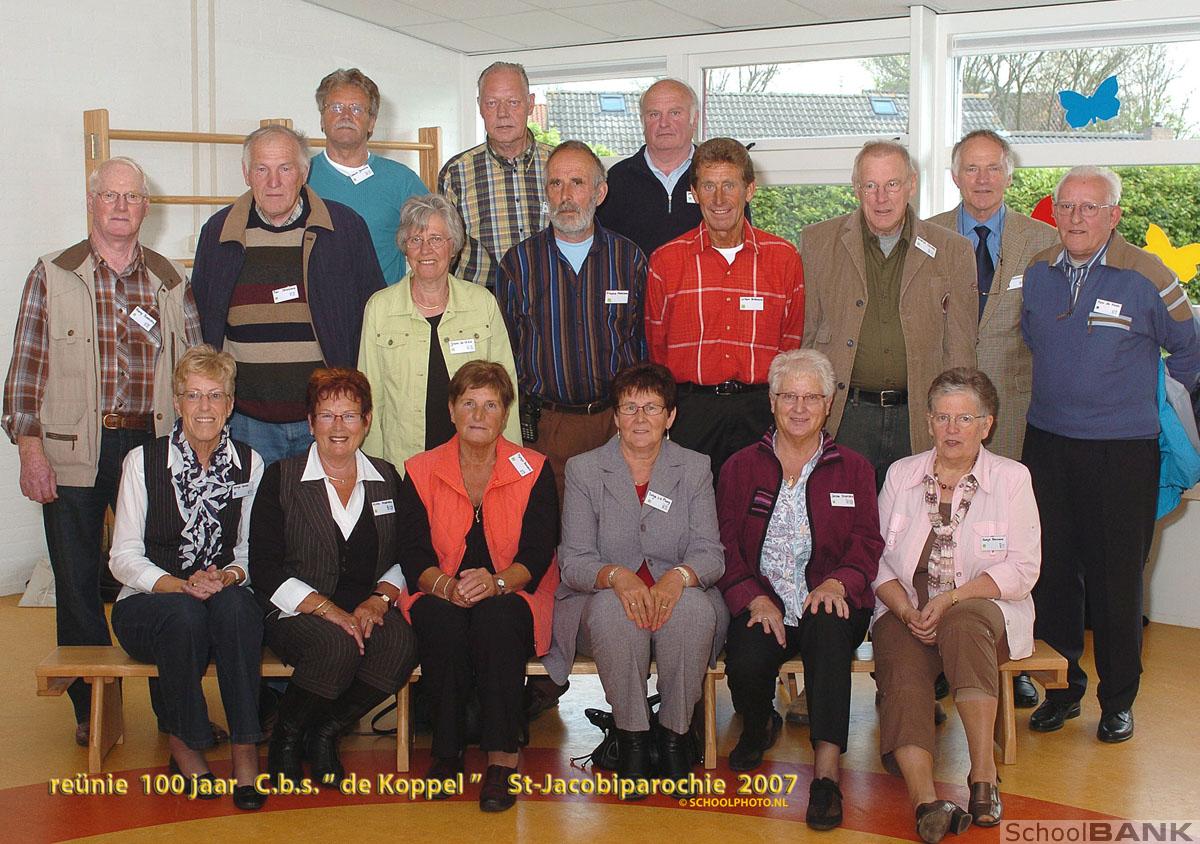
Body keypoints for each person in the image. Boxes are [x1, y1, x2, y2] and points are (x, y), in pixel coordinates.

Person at [2, 156, 201, 742]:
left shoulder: (168, 278)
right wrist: (29, 450)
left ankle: (175, 708)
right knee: (78, 579)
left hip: (152, 444)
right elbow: (25, 370)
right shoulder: (51, 273)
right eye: (109, 195)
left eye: (132, 197)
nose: (120, 206)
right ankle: (92, 712)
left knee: (165, 572)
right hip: (71, 450)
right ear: (91, 202)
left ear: (146, 207)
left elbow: (193, 362)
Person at [1021, 166, 1200, 743]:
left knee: (1117, 582)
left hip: (1123, 454)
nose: (1075, 218)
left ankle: (1118, 700)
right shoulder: (1038, 273)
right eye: (1066, 206)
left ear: (1114, 214)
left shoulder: (1150, 277)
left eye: (1090, 207)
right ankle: (1061, 688)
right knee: (1051, 577)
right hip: (1047, 446)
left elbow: (1190, 356)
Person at [872, 368, 1040, 842]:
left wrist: (950, 599)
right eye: (943, 418)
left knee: (963, 624)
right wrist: (905, 610)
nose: (952, 429)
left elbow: (1023, 569)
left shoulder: (1011, 478)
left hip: (982, 609)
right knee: (900, 666)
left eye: (964, 418)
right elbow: (877, 560)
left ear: (986, 424)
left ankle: (982, 775)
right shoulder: (902, 474)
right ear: (928, 422)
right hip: (908, 609)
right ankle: (925, 801)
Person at [716, 349, 881, 829]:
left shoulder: (853, 467)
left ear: (830, 404)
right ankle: (758, 720)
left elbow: (868, 542)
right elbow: (724, 543)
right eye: (789, 395)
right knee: (745, 658)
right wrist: (752, 595)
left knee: (830, 635)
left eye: (812, 397)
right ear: (771, 401)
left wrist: (839, 582)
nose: (800, 407)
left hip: (827, 598)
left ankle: (826, 773)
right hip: (762, 597)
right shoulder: (740, 467)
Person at [548, 362, 726, 797]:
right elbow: (573, 560)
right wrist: (616, 576)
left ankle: (674, 740)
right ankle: (631, 741)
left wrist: (678, 578)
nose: (640, 418)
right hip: (601, 599)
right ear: (615, 416)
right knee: (615, 612)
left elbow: (710, 553)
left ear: (671, 417)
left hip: (679, 597)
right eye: (629, 407)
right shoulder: (584, 469)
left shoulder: (695, 467)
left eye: (652, 407)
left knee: (692, 611)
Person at [926, 129, 1057, 711]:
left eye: (992, 169)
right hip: (943, 413)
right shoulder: (925, 236)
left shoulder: (1044, 241)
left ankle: (1009, 655)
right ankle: (933, 652)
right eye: (970, 169)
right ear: (955, 176)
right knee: (938, 532)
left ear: (1009, 174)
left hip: (1014, 411)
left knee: (1009, 540)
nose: (981, 179)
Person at [396, 361, 559, 812]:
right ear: (451, 409)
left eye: (490, 404)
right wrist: (447, 587)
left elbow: (539, 551)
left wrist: (498, 582)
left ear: (505, 414)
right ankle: (446, 756)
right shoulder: (420, 468)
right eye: (468, 402)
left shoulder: (534, 469)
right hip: (439, 587)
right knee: (441, 621)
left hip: (515, 589)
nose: (479, 414)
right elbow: (412, 554)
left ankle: (502, 761)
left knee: (497, 620)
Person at [109, 346, 266, 810]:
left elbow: (250, 552)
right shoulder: (142, 462)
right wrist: (180, 585)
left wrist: (230, 576)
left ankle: (244, 749)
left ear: (230, 404)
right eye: (193, 395)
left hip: (219, 594)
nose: (204, 407)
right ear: (176, 403)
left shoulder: (249, 463)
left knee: (239, 608)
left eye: (215, 396)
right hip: (147, 603)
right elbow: (122, 558)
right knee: (183, 616)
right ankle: (185, 742)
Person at [249, 368, 417, 787]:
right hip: (296, 609)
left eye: (349, 415)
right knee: (336, 644)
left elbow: (404, 555)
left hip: (364, 604)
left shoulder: (387, 478)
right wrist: (327, 610)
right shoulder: (281, 478)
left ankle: (325, 730)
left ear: (367, 421)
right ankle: (287, 736)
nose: (338, 427)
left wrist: (379, 599)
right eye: (327, 416)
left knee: (400, 644)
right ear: (310, 423)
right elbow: (265, 568)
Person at [191, 125, 384, 465]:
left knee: (322, 517)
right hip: (247, 422)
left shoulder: (345, 229)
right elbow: (205, 324)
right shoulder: (218, 234)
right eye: (262, 169)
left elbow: (374, 315)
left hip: (325, 418)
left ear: (304, 172)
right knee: (253, 518)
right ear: (246, 173)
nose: (273, 181)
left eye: (285, 168)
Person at [802, 140, 976, 488]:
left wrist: (954, 421)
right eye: (871, 186)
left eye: (892, 184)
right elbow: (805, 336)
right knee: (843, 520)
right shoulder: (817, 242)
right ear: (856, 188)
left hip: (918, 419)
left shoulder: (953, 250)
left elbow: (960, 348)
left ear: (911, 184)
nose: (882, 197)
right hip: (845, 416)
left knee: (912, 526)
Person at [496, 140, 648, 501]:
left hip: (617, 424)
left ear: (600, 192)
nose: (565, 195)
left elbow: (644, 346)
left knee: (619, 529)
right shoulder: (519, 264)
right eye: (556, 184)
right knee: (554, 536)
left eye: (577, 183)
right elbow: (507, 352)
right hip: (547, 428)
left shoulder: (630, 260)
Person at [646, 137, 804, 480]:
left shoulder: (784, 259)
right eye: (709, 186)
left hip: (761, 411)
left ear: (749, 190)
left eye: (729, 185)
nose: (719, 199)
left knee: (757, 517)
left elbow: (791, 346)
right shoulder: (666, 262)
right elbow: (657, 349)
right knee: (688, 517)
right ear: (694, 192)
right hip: (691, 413)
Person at [359, 194, 520, 471]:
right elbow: (370, 397)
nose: (425, 250)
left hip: (475, 461)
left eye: (436, 239)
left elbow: (506, 390)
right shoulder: (380, 308)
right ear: (405, 248)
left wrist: (511, 462)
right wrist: (375, 473)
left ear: (453, 245)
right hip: (404, 463)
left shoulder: (482, 304)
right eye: (415, 240)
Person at [308, 68, 430, 285]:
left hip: (383, 312)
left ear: (371, 122)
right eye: (336, 107)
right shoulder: (299, 178)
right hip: (315, 313)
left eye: (356, 109)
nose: (345, 116)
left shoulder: (402, 181)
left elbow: (435, 245)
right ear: (322, 119)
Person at [438, 61, 551, 288]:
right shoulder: (456, 173)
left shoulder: (560, 166)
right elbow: (444, 251)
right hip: (481, 308)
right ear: (480, 106)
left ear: (530, 104)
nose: (502, 113)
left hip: (549, 302)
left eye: (513, 102)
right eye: (492, 103)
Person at [596, 78, 704, 258]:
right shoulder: (615, 181)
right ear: (642, 121)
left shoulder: (717, 177)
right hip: (637, 286)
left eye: (675, 113)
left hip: (701, 285)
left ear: (694, 119)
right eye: (654, 114)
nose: (664, 123)